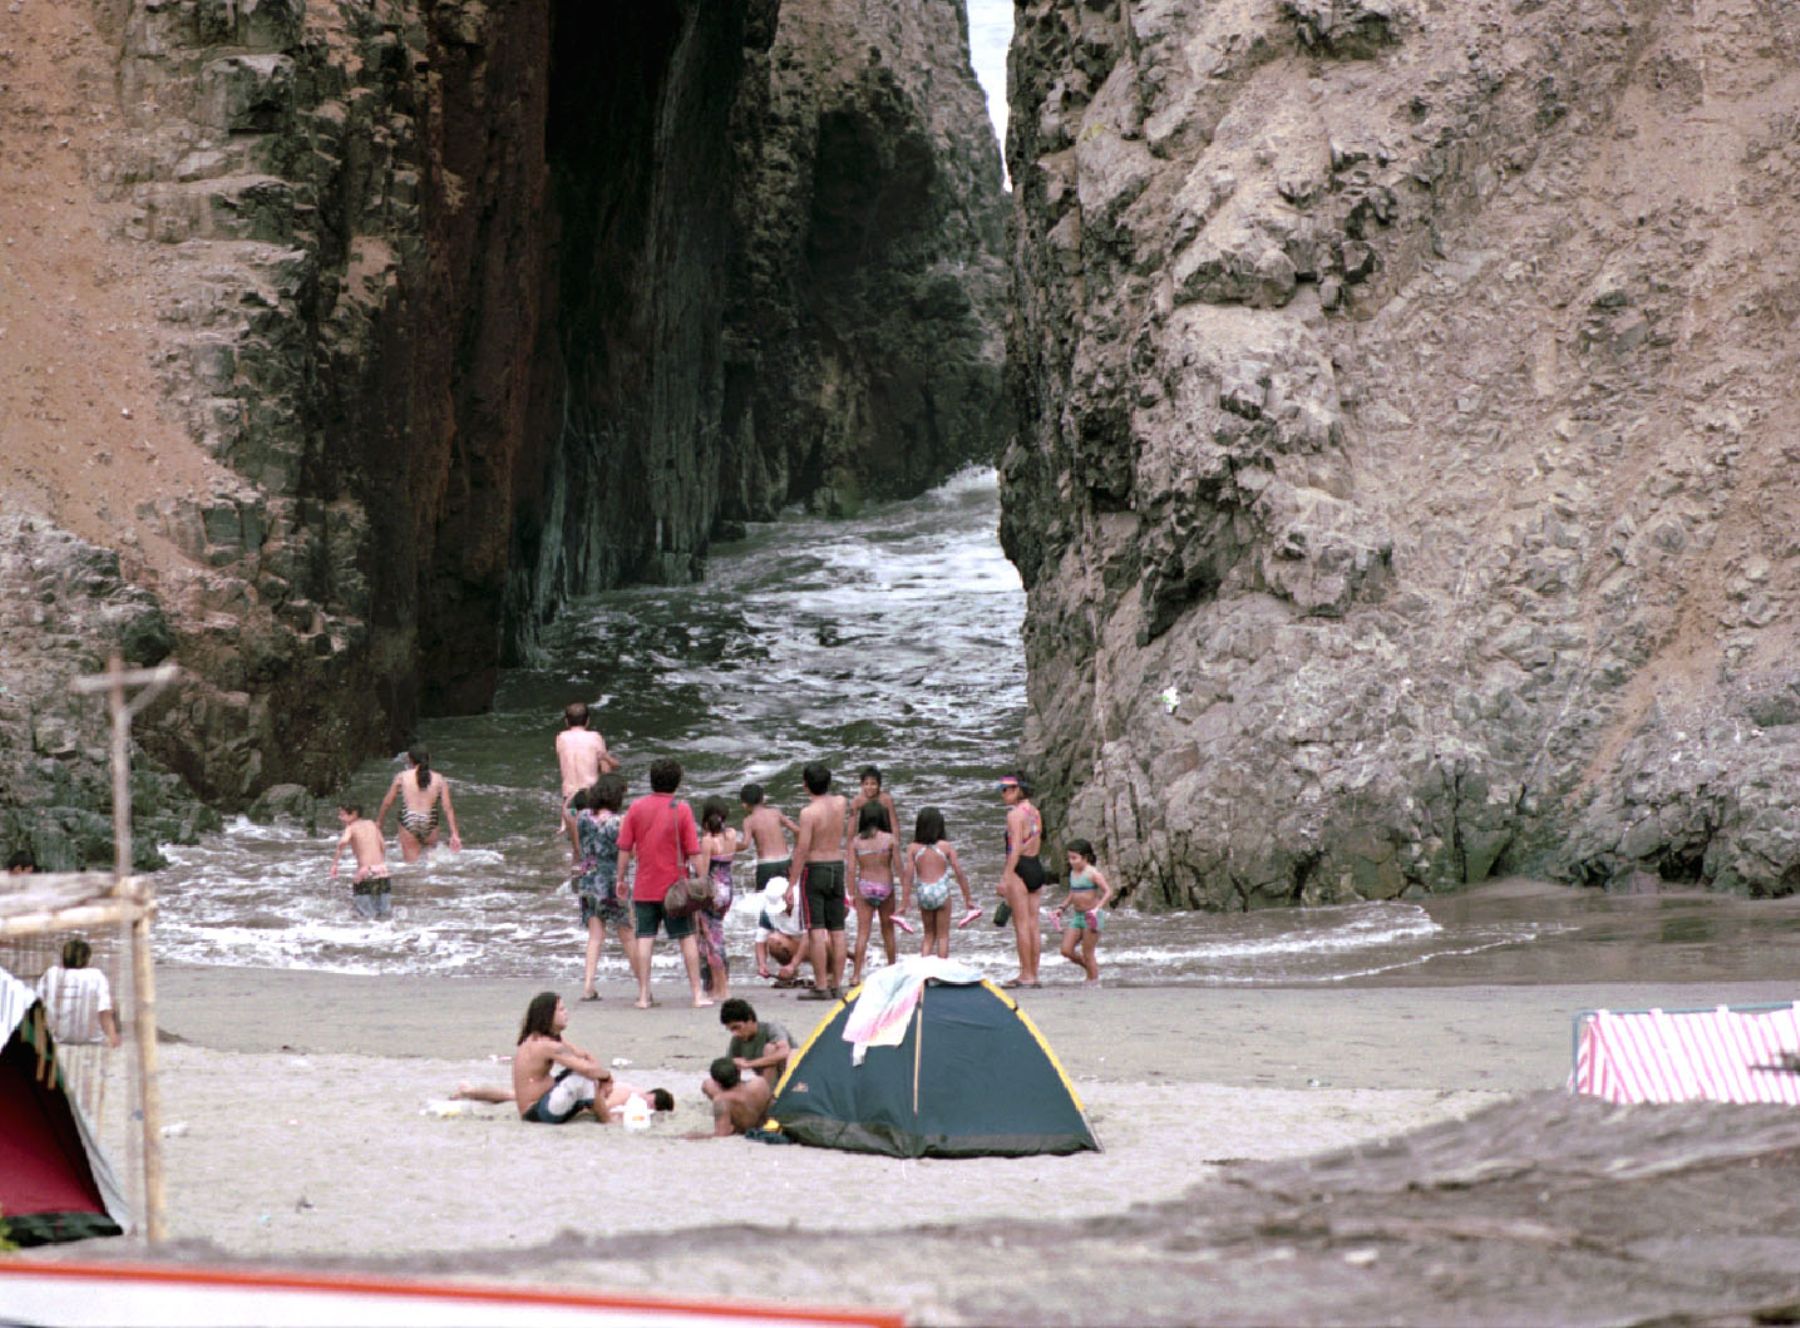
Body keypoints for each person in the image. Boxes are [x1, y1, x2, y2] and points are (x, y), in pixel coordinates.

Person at [616, 757, 710, 1009]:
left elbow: (625, 848)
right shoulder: (682, 808)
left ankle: (644, 995)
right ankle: (697, 994)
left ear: (652, 780)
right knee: (687, 937)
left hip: (645, 885)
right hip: (676, 888)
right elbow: (693, 850)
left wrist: (620, 878)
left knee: (645, 938)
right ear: (677, 782)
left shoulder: (636, 807)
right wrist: (703, 879)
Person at [570, 773, 633, 1001]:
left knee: (595, 936)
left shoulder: (583, 817)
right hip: (611, 882)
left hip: (588, 879)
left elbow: (570, 816)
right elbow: (628, 852)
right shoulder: (620, 821)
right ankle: (643, 985)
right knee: (626, 933)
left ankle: (588, 985)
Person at [789, 762, 849, 1001]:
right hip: (837, 866)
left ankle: (822, 985)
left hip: (815, 869)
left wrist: (791, 883)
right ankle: (838, 983)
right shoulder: (840, 802)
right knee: (838, 929)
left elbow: (802, 849)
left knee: (815, 928)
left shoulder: (808, 813)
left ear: (805, 786)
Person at [511, 991, 614, 1124]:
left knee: (586, 1076)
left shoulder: (548, 1039)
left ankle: (597, 1107)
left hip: (544, 1105)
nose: (566, 1013)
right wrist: (606, 1077)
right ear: (548, 1016)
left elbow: (584, 1056)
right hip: (536, 1113)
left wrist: (600, 1077)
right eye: (561, 1010)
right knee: (583, 1079)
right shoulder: (545, 1045)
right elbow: (587, 1070)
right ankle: (608, 1120)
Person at [899, 807, 978, 959]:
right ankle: (941, 974)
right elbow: (959, 872)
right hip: (941, 891)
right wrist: (968, 899)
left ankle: (924, 973)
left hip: (924, 892)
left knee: (928, 935)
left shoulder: (913, 848)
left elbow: (908, 875)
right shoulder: (945, 846)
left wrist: (904, 902)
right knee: (943, 936)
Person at [997, 774, 1047, 988]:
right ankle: (1033, 974)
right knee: (1033, 924)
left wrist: (1006, 877)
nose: (1003, 793)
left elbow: (1015, 848)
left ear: (1019, 789)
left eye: (1007, 789)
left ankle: (1025, 974)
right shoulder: (1035, 812)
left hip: (1020, 867)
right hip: (1035, 865)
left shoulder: (1015, 815)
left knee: (1021, 925)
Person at [557, 702, 620, 861]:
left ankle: (574, 880)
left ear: (566, 721)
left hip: (569, 801)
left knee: (576, 850)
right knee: (594, 849)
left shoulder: (560, 738)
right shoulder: (595, 737)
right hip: (589, 797)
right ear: (588, 721)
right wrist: (606, 759)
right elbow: (606, 769)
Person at [376, 747, 462, 863]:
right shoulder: (439, 779)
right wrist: (454, 833)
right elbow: (447, 808)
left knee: (411, 865)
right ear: (429, 758)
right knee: (431, 863)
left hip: (408, 819)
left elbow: (387, 803)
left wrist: (379, 822)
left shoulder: (402, 776)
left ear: (410, 760)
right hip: (430, 819)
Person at [849, 802, 902, 987]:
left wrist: (850, 894)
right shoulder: (890, 839)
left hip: (864, 886)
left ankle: (856, 975)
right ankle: (893, 969)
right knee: (888, 931)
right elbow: (898, 865)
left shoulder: (856, 841)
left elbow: (850, 869)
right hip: (885, 886)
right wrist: (905, 890)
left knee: (863, 933)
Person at [35, 937, 121, 1048]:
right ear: (87, 959)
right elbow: (104, 1012)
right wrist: (112, 1036)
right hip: (92, 1039)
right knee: (111, 1002)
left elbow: (36, 1005)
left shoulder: (51, 974)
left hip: (59, 1037)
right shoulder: (96, 975)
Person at [453, 1078, 675, 1121]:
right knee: (515, 1096)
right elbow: (602, 1106)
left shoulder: (635, 1098)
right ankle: (468, 1090)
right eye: (650, 1102)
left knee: (516, 1096)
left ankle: (470, 1091)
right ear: (649, 1093)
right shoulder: (630, 1093)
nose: (648, 1106)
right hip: (574, 1092)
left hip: (576, 1093)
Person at [696, 796, 741, 1000]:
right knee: (717, 933)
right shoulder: (731, 835)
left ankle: (721, 988)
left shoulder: (707, 841)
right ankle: (719, 984)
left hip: (712, 891)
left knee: (710, 938)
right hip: (727, 888)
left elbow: (703, 874)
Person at [1054, 838, 1115, 984]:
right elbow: (1073, 893)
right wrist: (1062, 907)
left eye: (1074, 858)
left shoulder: (1092, 873)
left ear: (1085, 857)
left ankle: (1092, 982)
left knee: (1088, 953)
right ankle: (1090, 971)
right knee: (1066, 950)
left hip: (1091, 917)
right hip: (1077, 916)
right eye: (1069, 858)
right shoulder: (1073, 873)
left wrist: (1097, 908)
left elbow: (1108, 892)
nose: (1071, 861)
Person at [330, 802, 392, 919]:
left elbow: (343, 842)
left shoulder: (351, 828)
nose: (340, 818)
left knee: (365, 915)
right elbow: (383, 846)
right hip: (383, 871)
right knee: (384, 912)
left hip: (365, 872)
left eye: (342, 815)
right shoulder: (372, 824)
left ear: (353, 814)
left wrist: (334, 864)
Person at [740, 783, 799, 894]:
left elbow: (745, 845)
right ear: (763, 798)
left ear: (744, 805)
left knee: (762, 899)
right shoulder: (775, 813)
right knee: (789, 895)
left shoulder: (748, 821)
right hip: (785, 861)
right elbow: (797, 830)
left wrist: (729, 845)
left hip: (766, 864)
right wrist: (796, 850)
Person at [719, 997, 791, 1087]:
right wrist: (732, 1063)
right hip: (762, 1082)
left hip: (791, 1080)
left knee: (770, 1048)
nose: (735, 1033)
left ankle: (768, 1096)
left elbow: (784, 1052)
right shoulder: (737, 1039)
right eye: (731, 1030)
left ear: (749, 1020)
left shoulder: (772, 1028)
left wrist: (749, 1064)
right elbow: (727, 1066)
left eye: (737, 1027)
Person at [697, 1056, 772, 1137]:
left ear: (717, 1083)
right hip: (764, 1125)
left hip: (743, 1130)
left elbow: (721, 1134)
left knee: (708, 1085)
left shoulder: (721, 1100)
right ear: (738, 1072)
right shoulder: (760, 1083)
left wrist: (696, 1136)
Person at [755, 876, 810, 983]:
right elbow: (760, 941)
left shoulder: (805, 902)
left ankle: (828, 972)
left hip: (816, 944)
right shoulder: (767, 910)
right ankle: (790, 972)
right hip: (794, 944)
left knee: (822, 937)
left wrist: (793, 964)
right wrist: (762, 965)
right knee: (773, 940)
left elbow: (808, 936)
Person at [847, 766, 900, 855]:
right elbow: (851, 825)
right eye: (866, 784)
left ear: (879, 785)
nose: (869, 787)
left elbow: (894, 824)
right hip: (865, 831)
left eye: (873, 784)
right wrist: (850, 847)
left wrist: (896, 843)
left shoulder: (886, 799)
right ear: (861, 785)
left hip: (884, 829)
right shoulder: (857, 801)